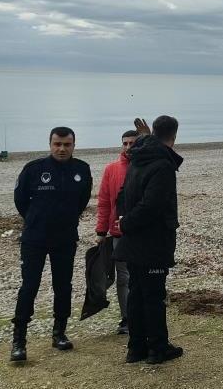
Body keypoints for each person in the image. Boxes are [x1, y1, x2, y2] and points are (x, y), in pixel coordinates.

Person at [11, 127, 92, 362]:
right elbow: (20, 201)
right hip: (34, 239)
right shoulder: (34, 169)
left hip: (65, 238)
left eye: (67, 144)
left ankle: (59, 334)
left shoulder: (82, 170)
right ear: (50, 144)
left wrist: (64, 220)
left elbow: (82, 201)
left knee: (63, 286)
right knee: (29, 287)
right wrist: (36, 220)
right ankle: (19, 341)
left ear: (74, 145)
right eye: (57, 144)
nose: (62, 148)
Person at [119, 116, 184, 364]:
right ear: (175, 136)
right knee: (152, 295)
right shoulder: (161, 164)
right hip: (152, 239)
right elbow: (152, 205)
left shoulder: (138, 157)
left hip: (135, 238)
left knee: (137, 292)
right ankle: (157, 348)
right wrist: (126, 222)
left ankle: (136, 348)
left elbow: (126, 195)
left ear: (153, 133)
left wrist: (125, 220)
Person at [95, 130, 139, 334]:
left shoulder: (147, 166)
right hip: (118, 232)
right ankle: (127, 318)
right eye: (125, 143)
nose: (128, 147)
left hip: (142, 232)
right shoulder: (111, 169)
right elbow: (104, 202)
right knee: (124, 277)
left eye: (133, 143)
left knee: (143, 275)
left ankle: (144, 314)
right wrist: (101, 230)